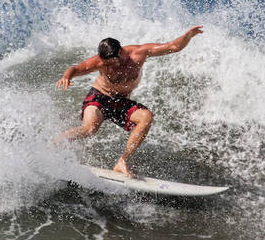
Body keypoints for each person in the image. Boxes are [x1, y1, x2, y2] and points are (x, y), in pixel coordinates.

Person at [55, 26, 203, 176]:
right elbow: (76, 68)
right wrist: (67, 77)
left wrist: (188, 36)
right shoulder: (101, 61)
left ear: (120, 52)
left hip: (121, 102)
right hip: (99, 97)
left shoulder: (139, 53)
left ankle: (122, 161)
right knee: (90, 128)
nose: (108, 66)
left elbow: (173, 46)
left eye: (112, 62)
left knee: (146, 117)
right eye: (106, 63)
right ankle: (53, 145)